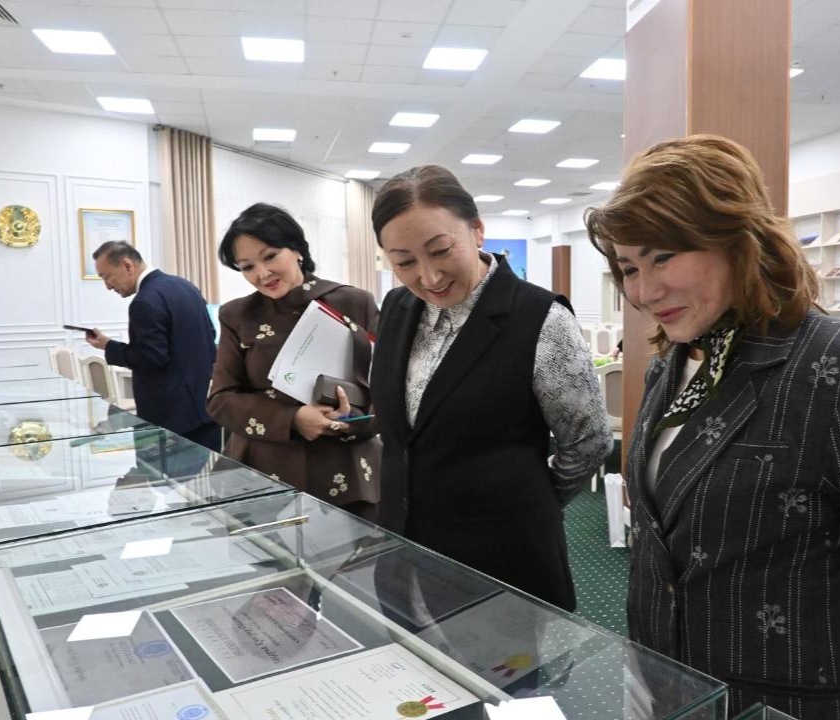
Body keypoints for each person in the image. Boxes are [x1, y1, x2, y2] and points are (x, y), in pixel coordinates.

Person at [586, 134, 840, 719]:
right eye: (629, 268)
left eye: (663, 257)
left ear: (737, 241)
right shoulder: (672, 365)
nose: (643, 290)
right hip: (672, 689)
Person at [369, 165, 612, 611]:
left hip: (500, 554)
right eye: (404, 262)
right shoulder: (397, 306)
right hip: (402, 547)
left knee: (499, 657)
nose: (429, 277)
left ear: (477, 231)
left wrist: (525, 505)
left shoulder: (539, 318)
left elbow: (588, 442)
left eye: (441, 250)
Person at [207, 203, 380, 520]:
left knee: (354, 551)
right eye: (247, 267)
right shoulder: (237, 316)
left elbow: (386, 393)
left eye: (271, 256)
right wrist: (292, 419)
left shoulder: (354, 302)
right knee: (266, 551)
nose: (262, 274)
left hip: (344, 472)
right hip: (263, 470)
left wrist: (349, 419)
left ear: (297, 249)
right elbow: (220, 399)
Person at [86, 242, 220, 451]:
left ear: (127, 265)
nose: (108, 286)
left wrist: (110, 347)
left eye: (107, 276)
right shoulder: (186, 286)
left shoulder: (144, 301)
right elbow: (209, 334)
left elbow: (150, 359)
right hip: (206, 407)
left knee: (165, 473)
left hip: (171, 418)